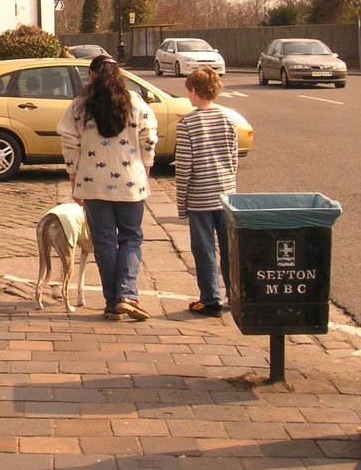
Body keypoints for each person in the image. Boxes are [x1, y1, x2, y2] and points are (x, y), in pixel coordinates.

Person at [57, 55, 158, 322]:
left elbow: (69, 142)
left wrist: (73, 175)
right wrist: (146, 166)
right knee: (131, 238)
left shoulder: (79, 107)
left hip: (91, 184)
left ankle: (112, 302)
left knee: (104, 242)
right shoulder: (135, 102)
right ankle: (127, 295)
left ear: (91, 76)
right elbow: (149, 138)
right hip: (130, 182)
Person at [175, 66, 239, 318]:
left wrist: (182, 204)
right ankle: (234, 294)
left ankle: (210, 298)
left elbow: (184, 168)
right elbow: (233, 158)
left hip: (200, 197)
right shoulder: (228, 118)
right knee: (229, 248)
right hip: (225, 194)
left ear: (193, 91)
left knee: (204, 250)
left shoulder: (187, 122)